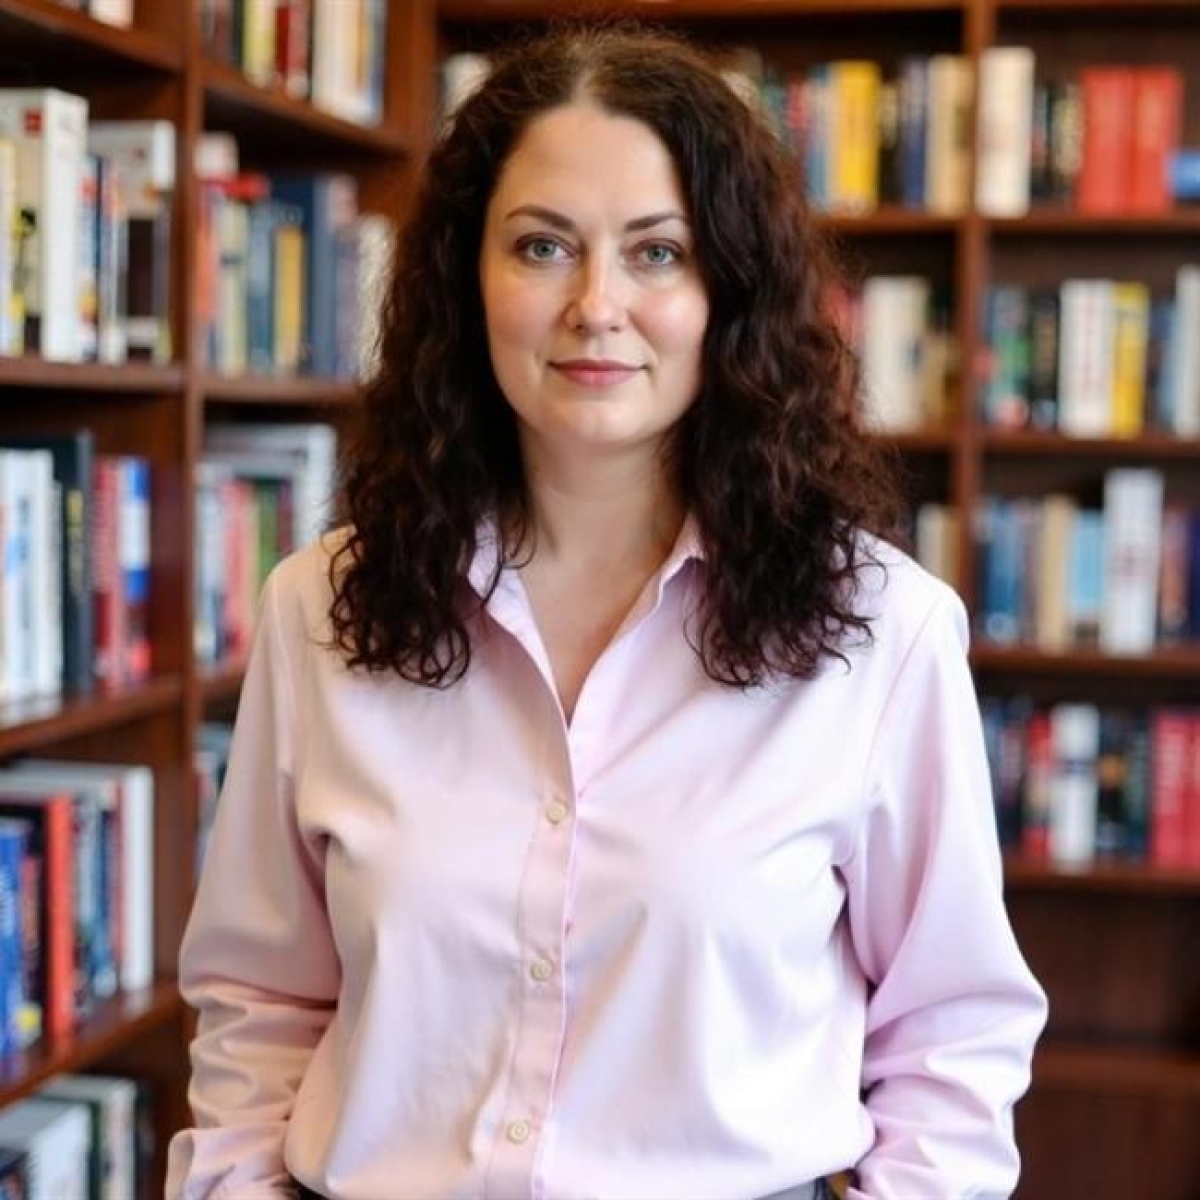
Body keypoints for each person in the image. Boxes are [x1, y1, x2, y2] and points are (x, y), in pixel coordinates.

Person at [166, 21, 1047, 1200]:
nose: (595, 304)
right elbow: (258, 1003)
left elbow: (952, 1040)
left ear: (727, 289)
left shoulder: (885, 633)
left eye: (657, 253)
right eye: (542, 246)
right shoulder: (318, 608)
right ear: (466, 279)